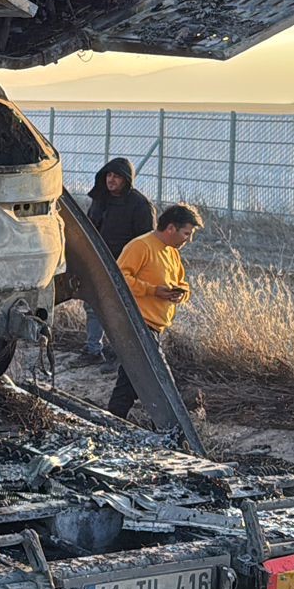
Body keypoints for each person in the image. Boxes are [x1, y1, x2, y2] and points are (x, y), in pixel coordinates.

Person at [106, 203, 203, 418]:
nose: (188, 239)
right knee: (161, 379)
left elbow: (181, 283)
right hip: (137, 323)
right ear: (170, 228)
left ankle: (114, 418)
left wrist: (180, 293)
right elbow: (119, 278)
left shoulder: (172, 253)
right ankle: (173, 425)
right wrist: (152, 291)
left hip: (155, 326)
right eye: (187, 233)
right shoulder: (141, 246)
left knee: (131, 379)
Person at [73, 157, 155, 366]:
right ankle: (93, 350)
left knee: (123, 312)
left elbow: (146, 241)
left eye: (117, 176)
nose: (111, 180)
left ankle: (124, 358)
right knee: (93, 306)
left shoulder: (140, 205)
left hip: (125, 268)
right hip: (98, 262)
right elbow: (90, 229)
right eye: (109, 175)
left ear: (126, 180)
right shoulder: (101, 198)